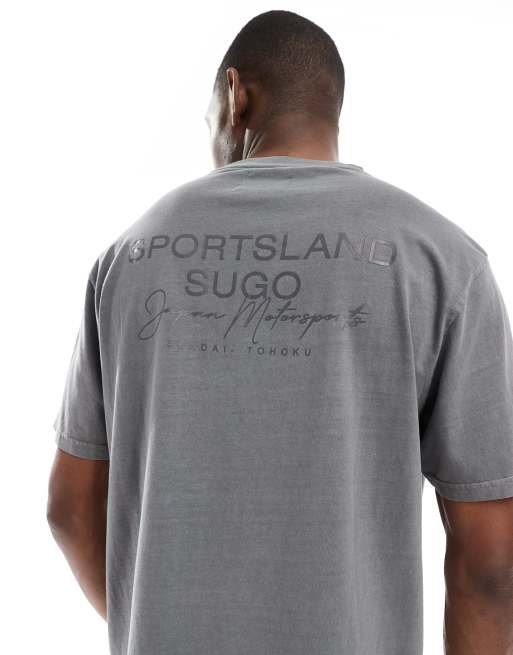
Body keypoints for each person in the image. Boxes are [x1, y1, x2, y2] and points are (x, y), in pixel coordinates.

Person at [47, 10, 513, 655]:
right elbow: (491, 559)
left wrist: (147, 626)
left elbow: (70, 509)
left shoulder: (127, 259)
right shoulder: (442, 259)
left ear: (236, 94)